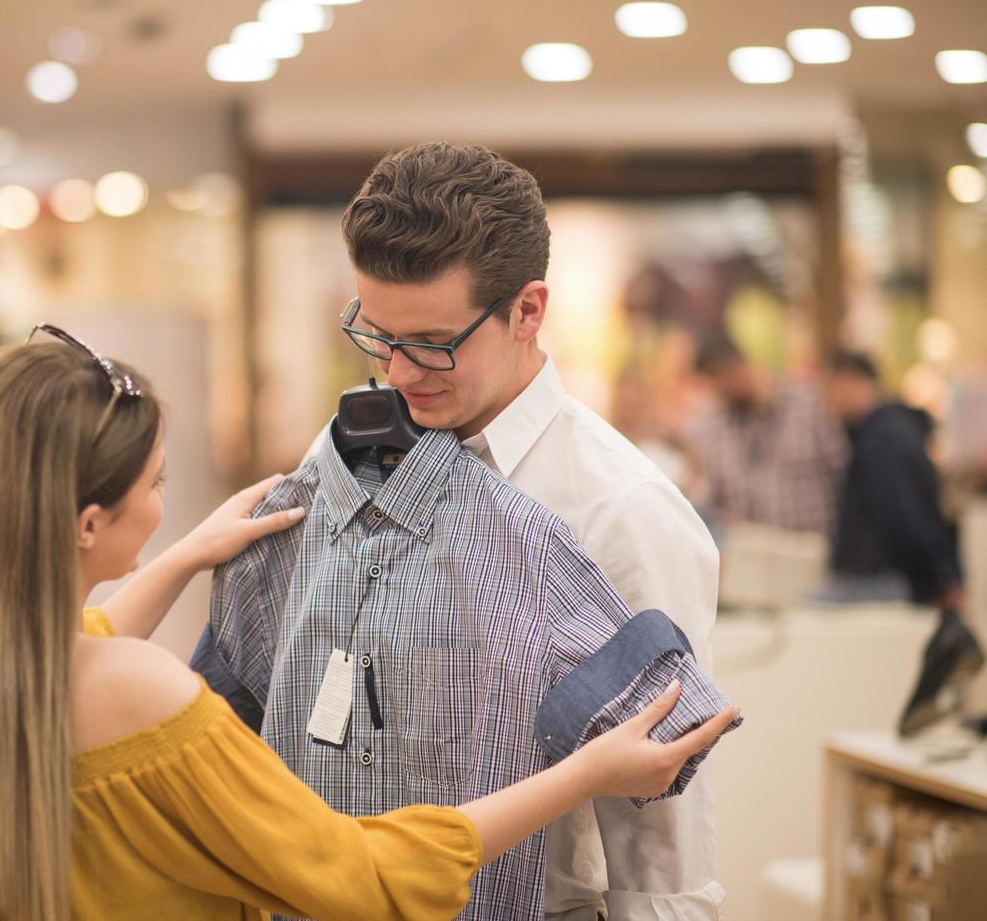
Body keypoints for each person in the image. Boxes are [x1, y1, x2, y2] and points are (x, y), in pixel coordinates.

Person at [0, 333, 736, 920]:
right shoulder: (144, 691)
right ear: (85, 524)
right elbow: (358, 874)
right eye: (154, 484)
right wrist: (584, 774)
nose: (164, 502)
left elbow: (66, 650)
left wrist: (185, 557)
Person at [197, 142, 727, 919]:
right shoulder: (338, 455)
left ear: (527, 311)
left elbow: (662, 837)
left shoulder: (618, 509)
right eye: (377, 336)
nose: (401, 375)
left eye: (434, 345)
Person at [822, 349, 963, 608]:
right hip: (892, 579)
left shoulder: (881, 441)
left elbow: (906, 514)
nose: (829, 402)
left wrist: (942, 576)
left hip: (882, 580)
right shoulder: (894, 430)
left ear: (849, 381)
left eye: (830, 389)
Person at [687, 333, 845, 536]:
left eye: (725, 375)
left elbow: (842, 474)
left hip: (812, 548)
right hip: (751, 554)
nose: (723, 387)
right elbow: (711, 500)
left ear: (742, 364)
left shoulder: (809, 408)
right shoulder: (710, 431)